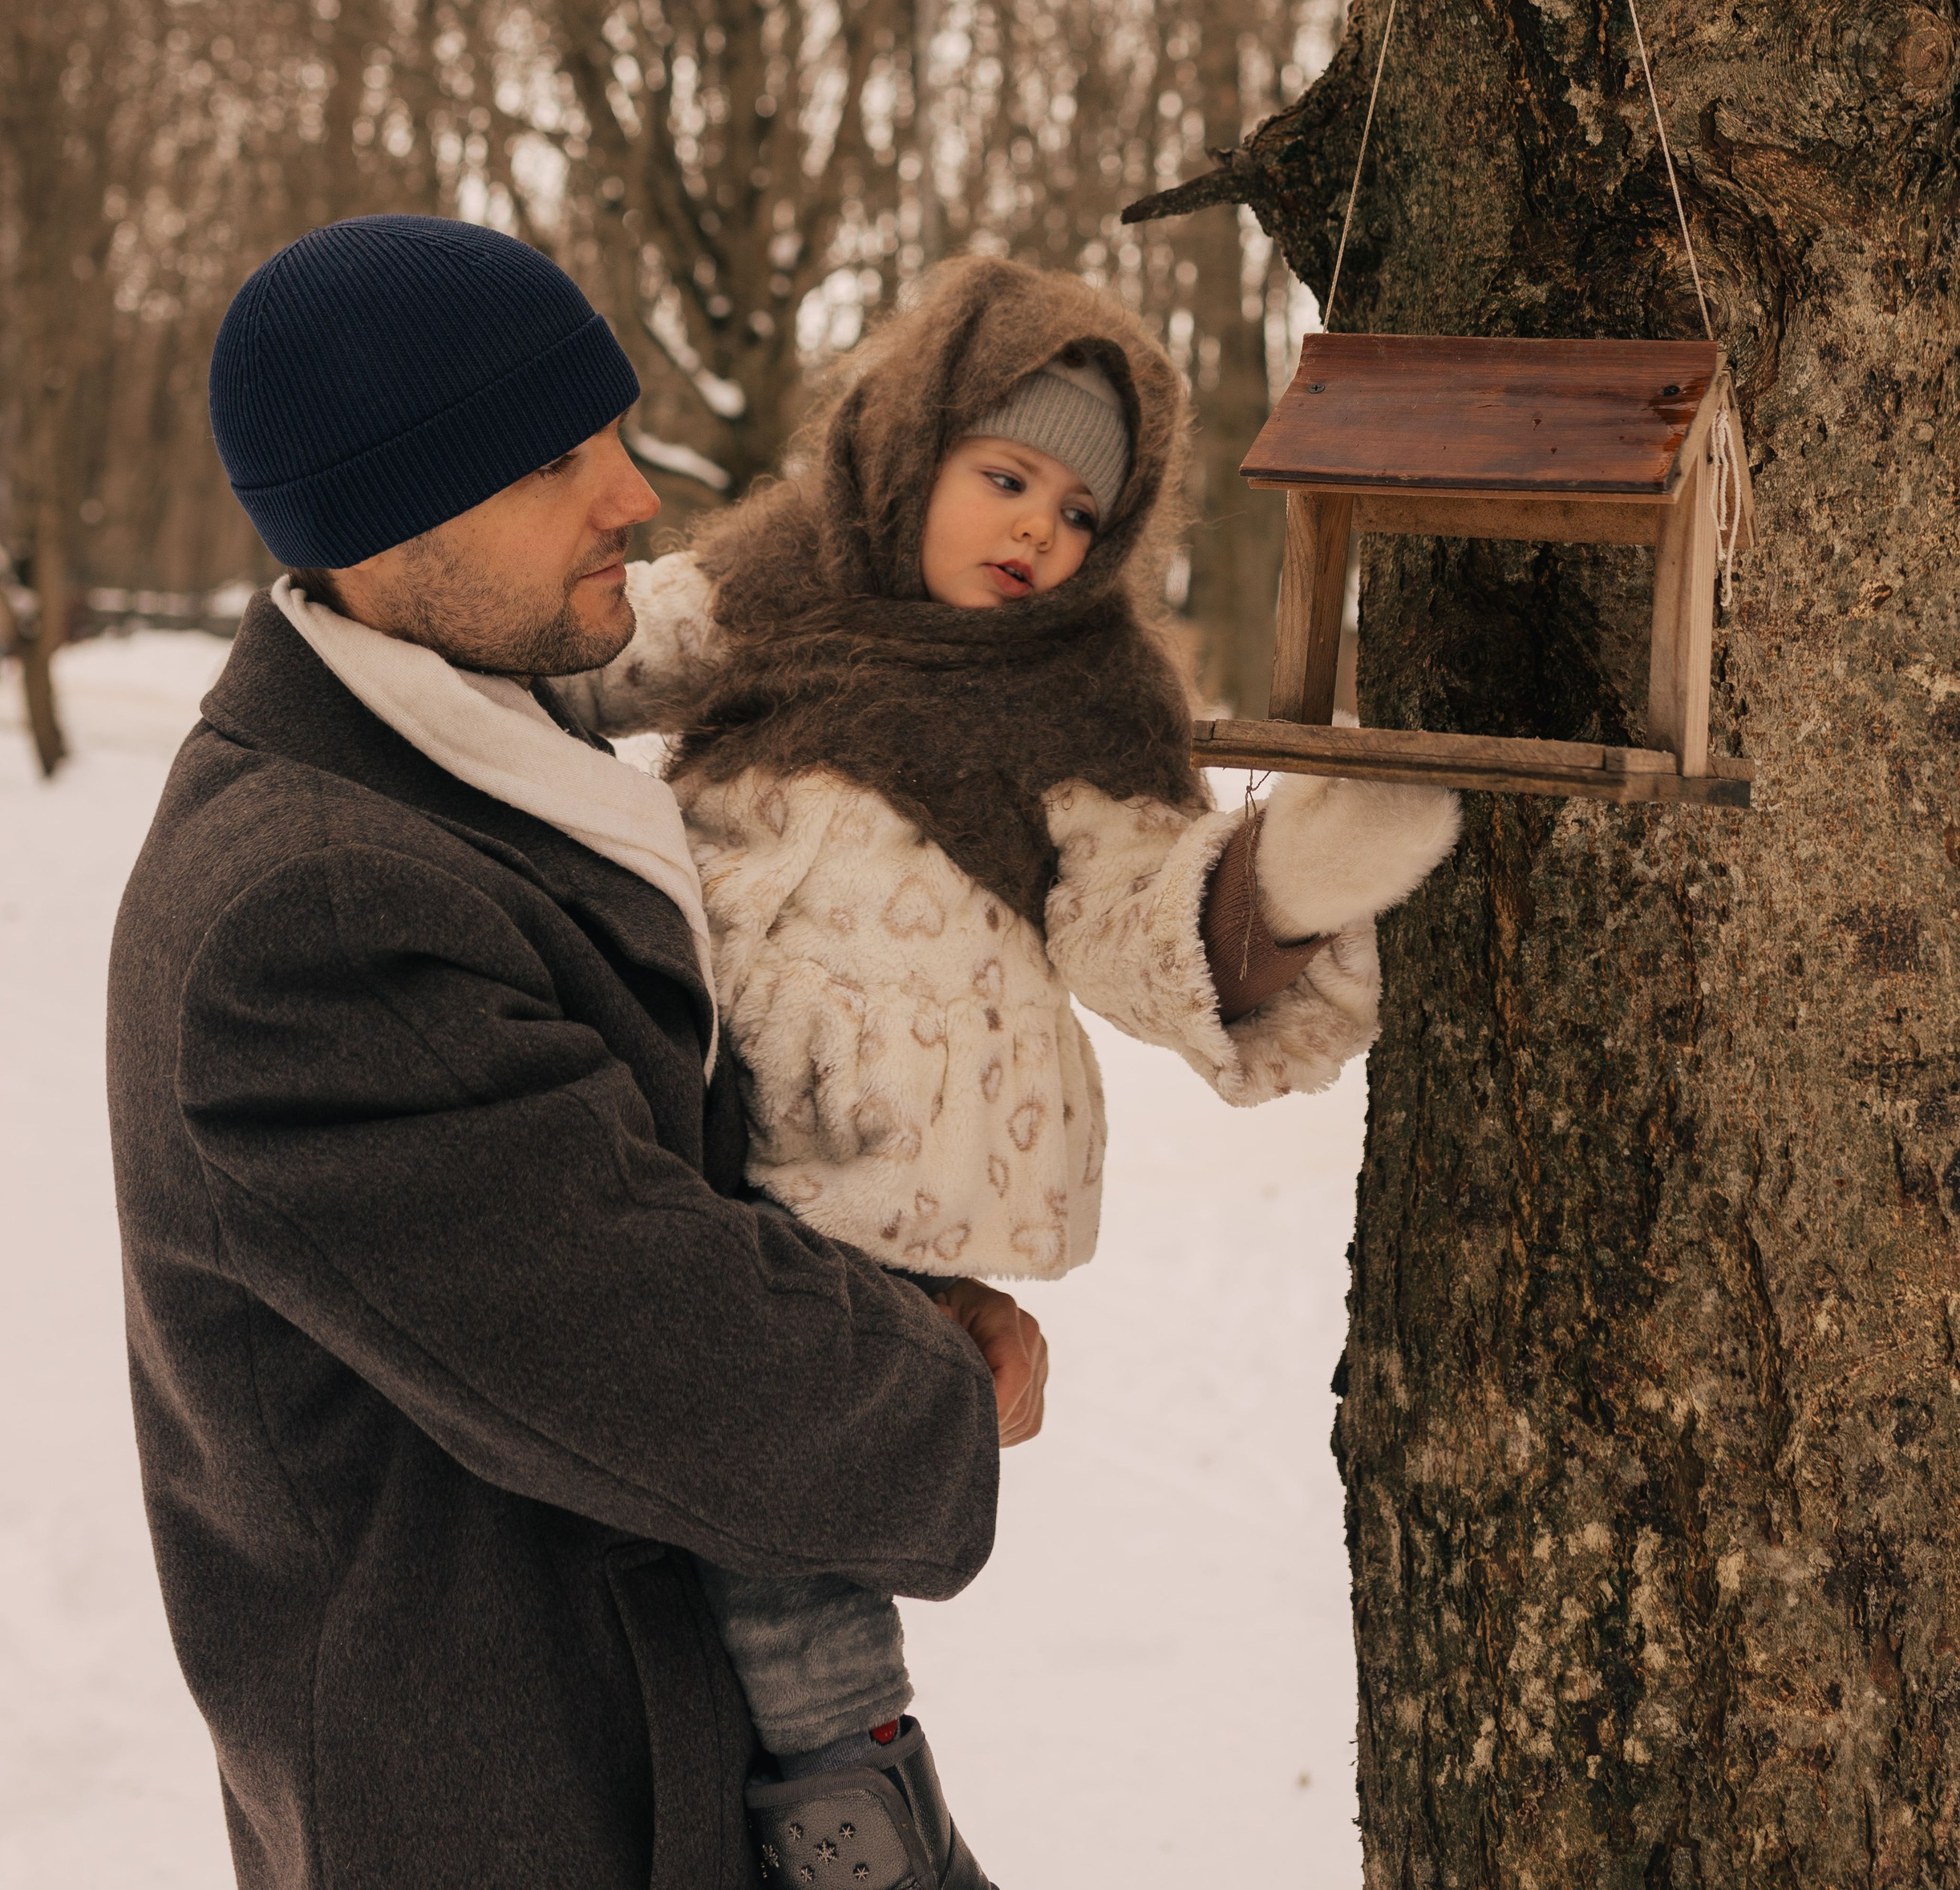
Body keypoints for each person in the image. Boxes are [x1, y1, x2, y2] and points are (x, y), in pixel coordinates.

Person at [106, 214, 1043, 1890]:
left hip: (670, 1747)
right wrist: (936, 1393)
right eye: (556, 459)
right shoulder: (316, 911)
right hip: (521, 1800)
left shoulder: (455, 756)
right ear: (384, 523)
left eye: (612, 432)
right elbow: (650, 1350)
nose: (630, 494)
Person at [549, 256, 1464, 1885]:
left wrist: (1282, 882)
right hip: (683, 1119)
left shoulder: (1085, 693)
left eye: (1076, 515)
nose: (1037, 532)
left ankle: (858, 1808)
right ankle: (772, 1800)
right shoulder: (775, 577)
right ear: (912, 450)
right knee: (674, 1499)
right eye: (1006, 477)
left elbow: (1126, 908)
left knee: (787, 1528)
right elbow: (586, 655)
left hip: (885, 1171)